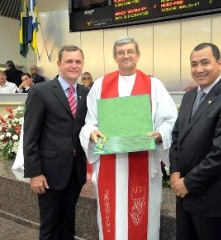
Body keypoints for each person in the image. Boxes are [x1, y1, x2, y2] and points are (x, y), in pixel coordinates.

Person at [79, 36, 177, 240]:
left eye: (130, 51)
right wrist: (91, 133)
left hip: (142, 161)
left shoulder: (153, 85)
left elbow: (169, 120)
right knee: (111, 218)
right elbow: (90, 121)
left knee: (142, 216)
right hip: (109, 164)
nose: (126, 56)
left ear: (138, 55)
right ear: (115, 57)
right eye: (121, 52)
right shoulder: (100, 85)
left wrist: (160, 134)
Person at [169, 43, 221, 240]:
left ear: (219, 63)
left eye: (205, 63)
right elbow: (177, 137)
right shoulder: (188, 96)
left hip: (211, 198)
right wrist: (175, 172)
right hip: (183, 194)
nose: (199, 69)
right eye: (194, 64)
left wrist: (188, 183)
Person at [23, 45, 89, 240]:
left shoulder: (86, 93)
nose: (74, 65)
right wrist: (34, 173)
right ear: (59, 64)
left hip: (75, 172)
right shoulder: (40, 91)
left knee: (68, 223)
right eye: (69, 61)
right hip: (49, 173)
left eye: (78, 61)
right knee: (50, 226)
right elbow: (30, 136)